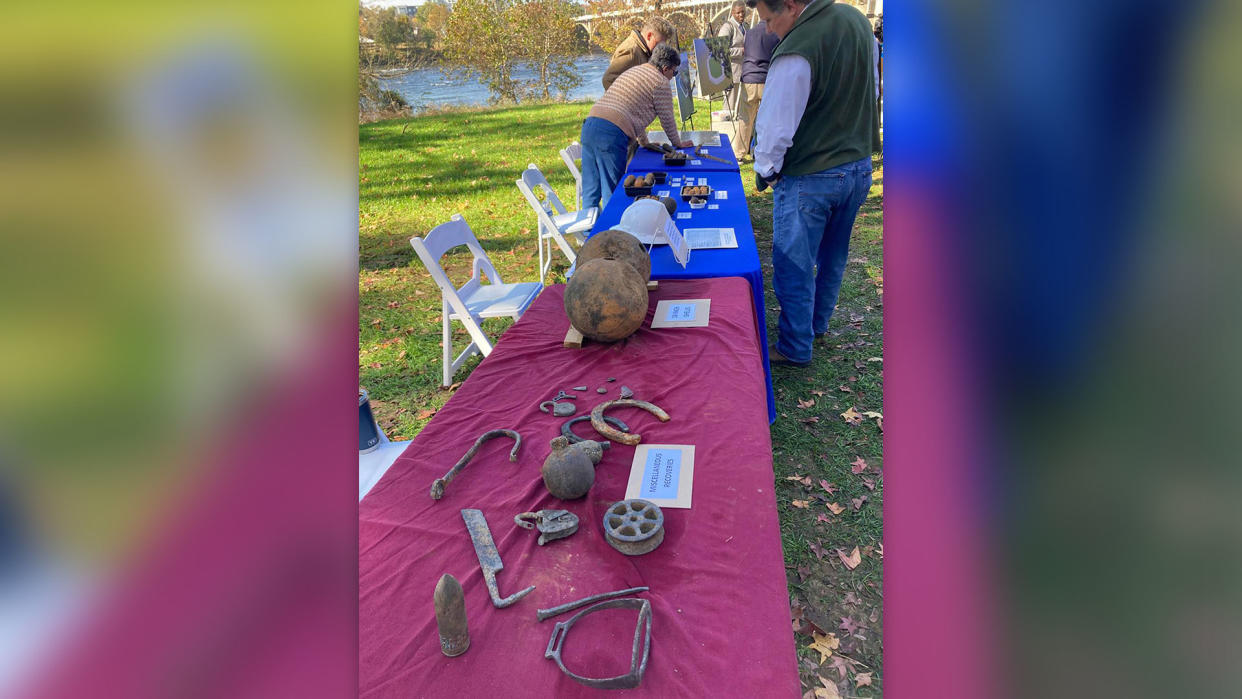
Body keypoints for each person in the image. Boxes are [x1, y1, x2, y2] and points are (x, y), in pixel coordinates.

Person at [748, 0, 879, 367]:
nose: (769, 30)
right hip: (857, 166)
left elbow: (774, 130)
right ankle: (816, 325)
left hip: (812, 172)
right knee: (833, 255)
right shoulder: (857, 22)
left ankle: (794, 345)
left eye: (770, 20)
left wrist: (769, 172)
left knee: (794, 262)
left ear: (791, 6)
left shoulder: (797, 48)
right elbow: (873, 89)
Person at [580, 44, 695, 211]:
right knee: (612, 193)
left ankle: (588, 234)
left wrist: (644, 141)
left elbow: (633, 109)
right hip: (611, 134)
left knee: (591, 190)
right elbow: (667, 118)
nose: (673, 77)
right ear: (665, 68)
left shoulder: (636, 70)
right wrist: (678, 143)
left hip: (591, 125)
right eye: (674, 72)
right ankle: (613, 233)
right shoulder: (660, 81)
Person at [733, 19, 780, 161]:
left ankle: (739, 154)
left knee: (745, 119)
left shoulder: (749, 32)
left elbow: (746, 52)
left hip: (749, 79)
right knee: (769, 120)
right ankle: (764, 153)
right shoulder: (775, 33)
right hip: (767, 79)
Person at [601, 17, 675, 91]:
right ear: (649, 36)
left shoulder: (644, 50)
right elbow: (608, 80)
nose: (661, 48)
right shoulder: (631, 51)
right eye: (659, 43)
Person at [716, 1, 749, 119]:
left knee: (740, 110)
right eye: (738, 13)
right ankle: (726, 132)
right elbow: (720, 50)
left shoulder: (746, 26)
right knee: (729, 110)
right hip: (730, 73)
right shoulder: (727, 27)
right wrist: (741, 51)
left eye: (743, 12)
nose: (741, 15)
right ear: (732, 12)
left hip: (744, 73)